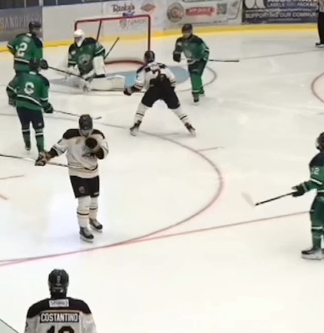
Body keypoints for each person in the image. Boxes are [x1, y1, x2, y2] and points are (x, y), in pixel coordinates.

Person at [37, 114, 109, 242]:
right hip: (77, 173)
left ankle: (92, 219)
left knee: (94, 200)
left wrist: (96, 147)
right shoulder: (70, 135)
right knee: (85, 201)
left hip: (93, 172)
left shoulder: (98, 135)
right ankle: (83, 227)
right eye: (84, 130)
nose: (86, 133)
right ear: (79, 127)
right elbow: (57, 149)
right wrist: (46, 157)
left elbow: (103, 154)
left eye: (88, 130)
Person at [290, 131, 324, 260]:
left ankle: (316, 249)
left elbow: (317, 181)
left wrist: (302, 188)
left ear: (319, 143)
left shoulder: (320, 158)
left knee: (316, 217)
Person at [125, 50, 196, 137]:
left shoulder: (143, 70)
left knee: (142, 108)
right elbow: (173, 80)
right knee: (178, 110)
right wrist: (169, 92)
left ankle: (136, 126)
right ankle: (189, 126)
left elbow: (138, 86)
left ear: (145, 59)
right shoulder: (163, 66)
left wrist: (130, 91)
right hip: (167, 87)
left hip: (153, 89)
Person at [14, 59, 54, 153]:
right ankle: (41, 151)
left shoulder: (21, 75)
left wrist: (14, 99)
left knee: (25, 125)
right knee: (38, 129)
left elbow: (10, 88)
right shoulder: (43, 81)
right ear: (39, 68)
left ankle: (27, 145)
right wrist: (48, 108)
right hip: (34, 108)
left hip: (20, 106)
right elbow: (44, 101)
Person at [6, 20, 47, 106]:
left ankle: (13, 98)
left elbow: (10, 45)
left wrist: (16, 54)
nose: (40, 30)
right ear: (34, 29)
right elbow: (37, 59)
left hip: (17, 63)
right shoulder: (37, 42)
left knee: (20, 80)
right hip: (27, 66)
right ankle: (29, 97)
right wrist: (41, 65)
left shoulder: (20, 36)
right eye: (39, 28)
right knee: (30, 80)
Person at [173, 23, 210, 103]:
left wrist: (204, 56)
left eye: (187, 32)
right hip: (190, 61)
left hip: (200, 61)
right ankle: (200, 90)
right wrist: (176, 55)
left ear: (191, 32)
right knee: (195, 76)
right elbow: (177, 50)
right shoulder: (179, 41)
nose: (185, 34)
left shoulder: (197, 40)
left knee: (195, 75)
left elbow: (206, 49)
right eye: (184, 32)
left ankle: (195, 94)